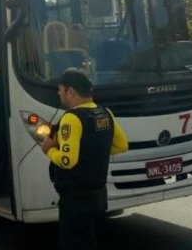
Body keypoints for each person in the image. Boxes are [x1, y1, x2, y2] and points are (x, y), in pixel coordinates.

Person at [41, 67, 128, 250]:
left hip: (75, 200)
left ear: (70, 92)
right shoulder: (105, 113)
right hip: (99, 196)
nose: (59, 94)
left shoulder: (71, 119)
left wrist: (49, 150)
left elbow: (67, 160)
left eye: (60, 90)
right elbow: (122, 145)